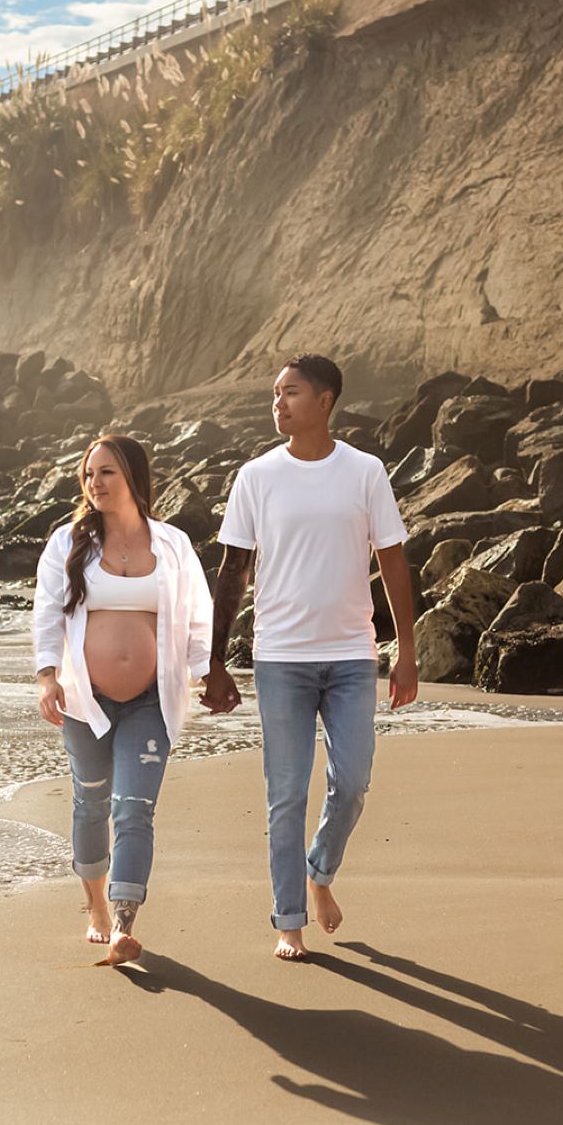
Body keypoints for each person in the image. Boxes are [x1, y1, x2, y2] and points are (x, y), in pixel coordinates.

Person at [204, 354, 419, 961]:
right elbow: (233, 570)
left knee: (351, 782)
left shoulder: (365, 472)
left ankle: (320, 869)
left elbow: (392, 560)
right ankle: (288, 919)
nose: (279, 402)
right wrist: (217, 662)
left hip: (353, 655)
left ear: (325, 401)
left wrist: (406, 650)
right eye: (275, 394)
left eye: (291, 392)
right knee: (286, 793)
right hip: (281, 660)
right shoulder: (256, 477)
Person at [33, 434, 214, 966]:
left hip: (150, 701)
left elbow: (198, 614)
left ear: (133, 477)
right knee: (92, 804)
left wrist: (204, 672)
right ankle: (94, 909)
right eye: (89, 474)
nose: (95, 483)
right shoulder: (67, 545)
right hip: (84, 701)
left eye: (107, 472)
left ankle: (123, 924)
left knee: (134, 810)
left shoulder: (173, 545)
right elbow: (47, 613)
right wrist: (47, 678)